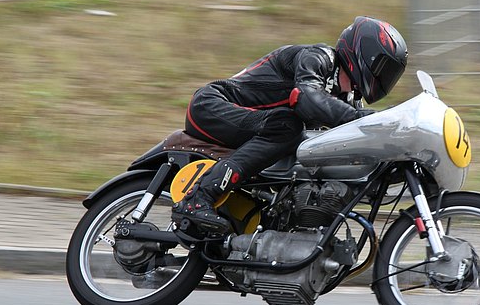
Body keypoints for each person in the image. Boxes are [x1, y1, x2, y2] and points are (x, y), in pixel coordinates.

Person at [171, 16, 408, 234]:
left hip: (252, 124)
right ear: (365, 54)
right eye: (384, 69)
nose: (386, 77)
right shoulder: (319, 57)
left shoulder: (348, 100)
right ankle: (199, 197)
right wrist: (363, 118)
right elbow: (306, 97)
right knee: (287, 127)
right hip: (212, 105)